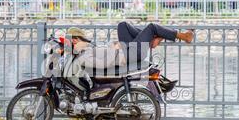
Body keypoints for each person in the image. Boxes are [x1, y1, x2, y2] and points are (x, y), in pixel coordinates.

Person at [63, 24, 194, 94]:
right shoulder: (83, 56)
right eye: (79, 39)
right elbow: (103, 64)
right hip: (127, 55)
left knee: (123, 25)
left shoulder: (87, 50)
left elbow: (103, 52)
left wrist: (113, 45)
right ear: (75, 41)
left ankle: (152, 40)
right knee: (152, 27)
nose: (84, 41)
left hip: (126, 52)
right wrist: (116, 49)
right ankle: (183, 36)